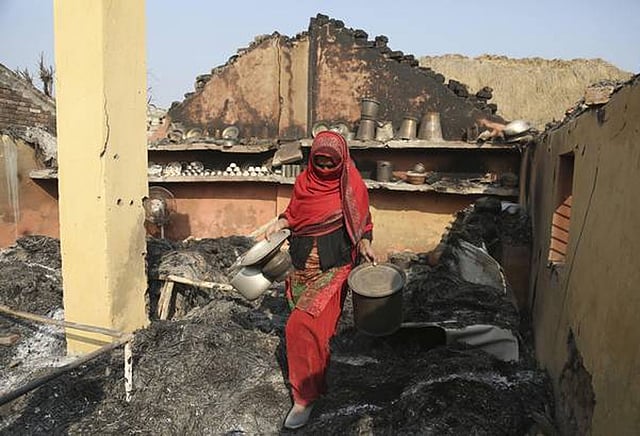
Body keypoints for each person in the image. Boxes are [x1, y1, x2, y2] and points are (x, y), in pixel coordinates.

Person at [265, 130, 376, 430]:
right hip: (301, 268)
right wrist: (280, 222)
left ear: (342, 161)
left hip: (335, 267)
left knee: (300, 324)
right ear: (312, 160)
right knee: (316, 330)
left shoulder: (351, 185)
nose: (325, 169)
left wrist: (365, 243)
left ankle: (304, 398)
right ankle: (320, 375)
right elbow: (293, 213)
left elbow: (363, 222)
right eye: (320, 163)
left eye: (331, 164)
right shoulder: (304, 182)